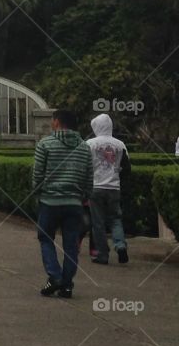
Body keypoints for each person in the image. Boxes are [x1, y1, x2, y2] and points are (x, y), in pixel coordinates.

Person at [32, 109, 93, 298]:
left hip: (49, 201)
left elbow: (38, 174)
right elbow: (89, 178)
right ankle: (67, 285)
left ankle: (55, 276)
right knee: (71, 244)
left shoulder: (45, 144)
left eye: (52, 120)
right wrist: (82, 197)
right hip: (74, 203)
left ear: (57, 122)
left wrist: (37, 193)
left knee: (45, 238)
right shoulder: (84, 147)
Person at [86, 113, 131, 264]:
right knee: (115, 219)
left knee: (98, 223)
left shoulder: (89, 144)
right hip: (114, 187)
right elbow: (127, 168)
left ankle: (103, 255)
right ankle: (120, 245)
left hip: (95, 187)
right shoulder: (120, 145)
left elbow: (84, 166)